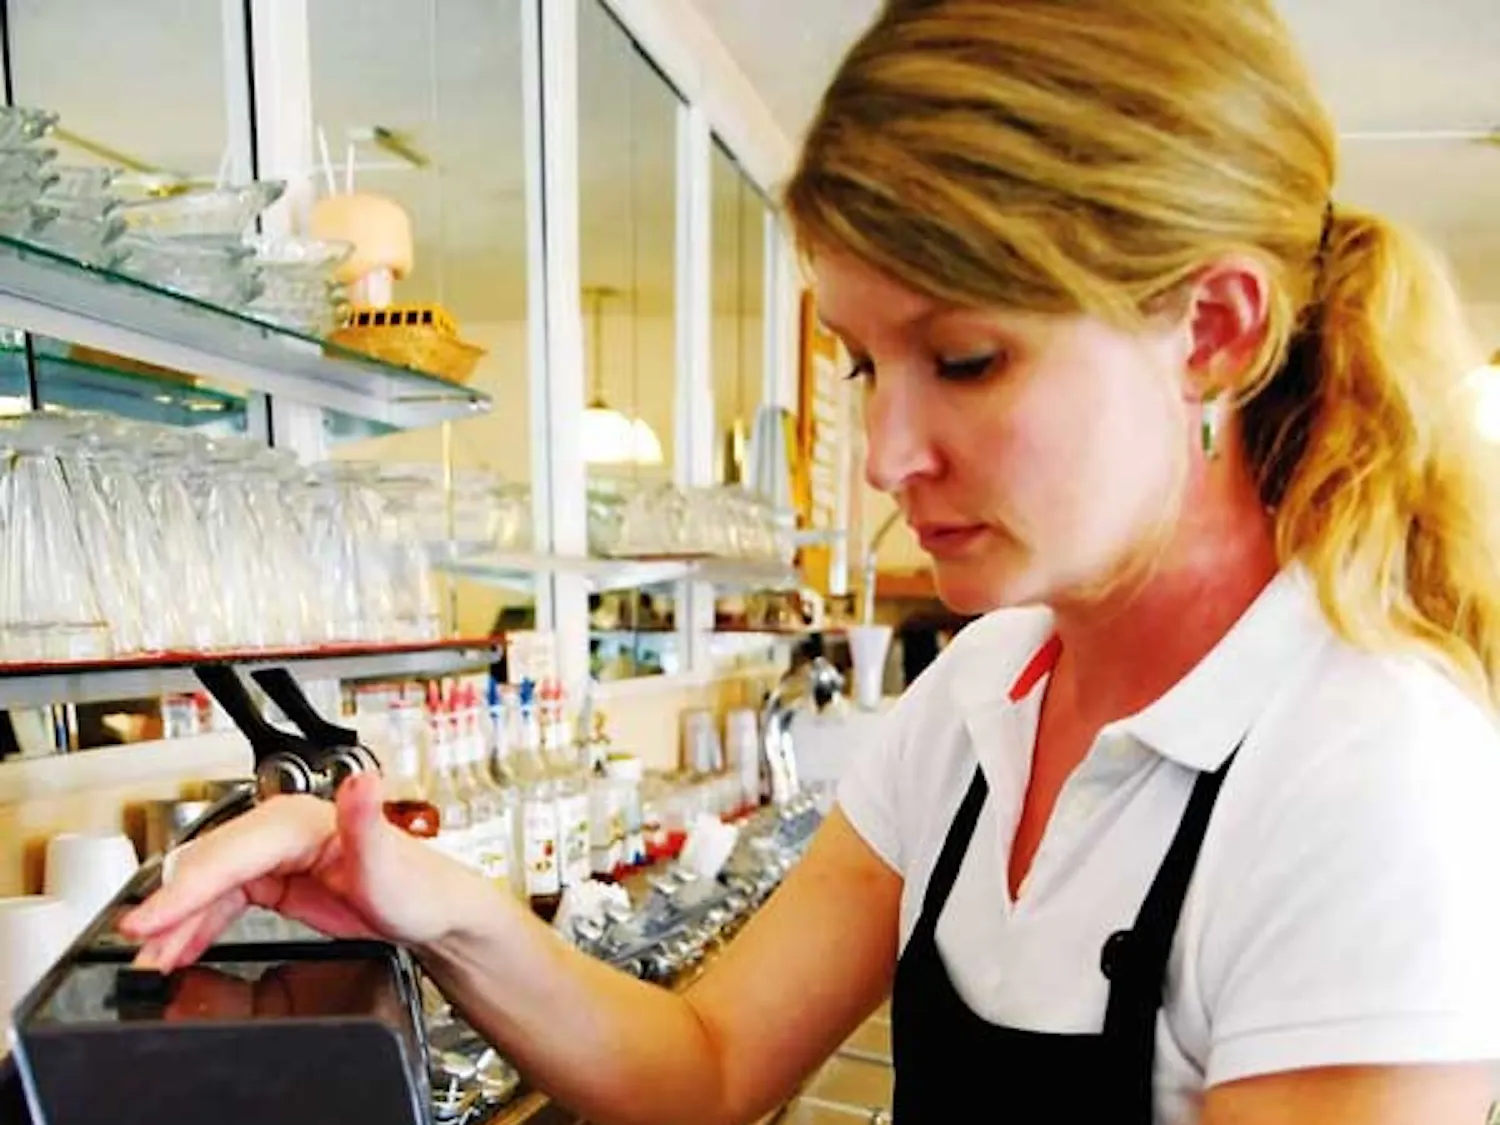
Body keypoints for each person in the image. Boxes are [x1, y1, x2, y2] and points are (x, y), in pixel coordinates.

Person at [122, 1, 1500, 1121]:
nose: (887, 456)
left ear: (1213, 331)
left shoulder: (1368, 777)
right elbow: (708, 1064)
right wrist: (422, 903)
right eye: (862, 364)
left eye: (967, 359)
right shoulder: (981, 699)